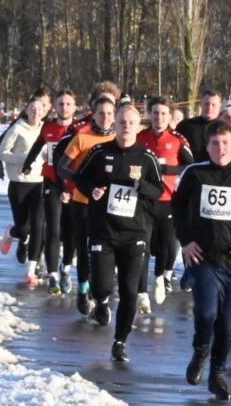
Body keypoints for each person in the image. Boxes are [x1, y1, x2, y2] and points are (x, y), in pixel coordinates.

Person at [173, 120, 231, 399]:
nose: (221, 148)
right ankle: (200, 351)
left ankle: (217, 375)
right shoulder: (195, 173)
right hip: (204, 258)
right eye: (215, 143)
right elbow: (177, 206)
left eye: (226, 143)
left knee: (228, 325)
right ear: (207, 146)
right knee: (206, 313)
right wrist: (185, 241)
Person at [70, 102, 164, 362]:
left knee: (129, 291)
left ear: (138, 126)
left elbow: (158, 190)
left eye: (131, 123)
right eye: (121, 122)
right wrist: (92, 190)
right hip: (103, 231)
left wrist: (142, 186)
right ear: (115, 124)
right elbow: (79, 177)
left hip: (134, 233)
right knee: (101, 287)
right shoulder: (100, 152)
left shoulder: (146, 157)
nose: (126, 127)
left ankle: (120, 341)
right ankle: (100, 303)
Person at [57, 92, 119, 316]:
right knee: (83, 248)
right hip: (82, 201)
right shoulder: (82, 138)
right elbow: (61, 166)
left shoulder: (119, 139)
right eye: (101, 113)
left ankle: (100, 292)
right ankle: (83, 291)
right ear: (93, 115)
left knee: (104, 249)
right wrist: (79, 180)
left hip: (109, 204)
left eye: (109, 113)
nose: (105, 117)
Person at [137, 95, 195, 311]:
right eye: (155, 113)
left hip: (168, 201)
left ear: (170, 116)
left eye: (163, 114)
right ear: (150, 115)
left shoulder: (178, 140)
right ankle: (142, 292)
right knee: (142, 246)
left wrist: (164, 169)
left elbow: (190, 167)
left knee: (166, 246)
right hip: (144, 201)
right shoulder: (140, 137)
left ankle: (160, 276)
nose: (159, 118)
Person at [23, 89, 79, 295]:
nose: (64, 107)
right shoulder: (48, 127)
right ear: (54, 106)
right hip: (52, 181)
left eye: (68, 104)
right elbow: (37, 145)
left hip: (73, 184)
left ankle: (66, 269)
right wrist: (28, 163)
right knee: (53, 228)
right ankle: (53, 275)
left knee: (70, 230)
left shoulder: (79, 129)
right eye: (60, 104)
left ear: (74, 107)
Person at [0, 92, 47, 283]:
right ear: (26, 110)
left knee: (38, 226)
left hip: (40, 183)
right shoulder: (17, 128)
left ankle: (31, 270)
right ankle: (13, 233)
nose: (35, 112)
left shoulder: (46, 129)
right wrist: (22, 158)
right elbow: (2, 153)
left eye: (39, 109)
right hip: (19, 183)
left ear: (44, 112)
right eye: (32, 108)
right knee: (24, 228)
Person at [177, 89, 224, 157]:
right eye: (207, 104)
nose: (209, 107)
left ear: (220, 106)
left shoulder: (225, 128)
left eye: (213, 105)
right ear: (201, 104)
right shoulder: (185, 126)